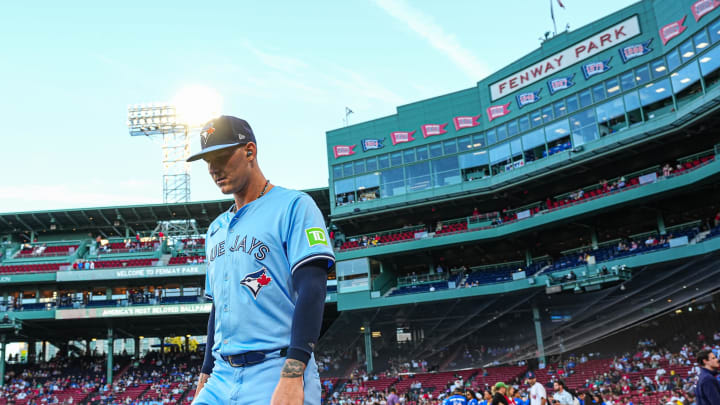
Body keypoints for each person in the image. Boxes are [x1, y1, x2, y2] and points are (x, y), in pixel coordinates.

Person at [188, 116, 335, 405]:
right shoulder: (215, 229)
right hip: (221, 376)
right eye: (207, 160)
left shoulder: (294, 206)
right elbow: (219, 307)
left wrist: (294, 372)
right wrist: (205, 373)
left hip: (276, 367)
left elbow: (313, 289)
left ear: (250, 151)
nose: (213, 168)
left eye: (221, 156)